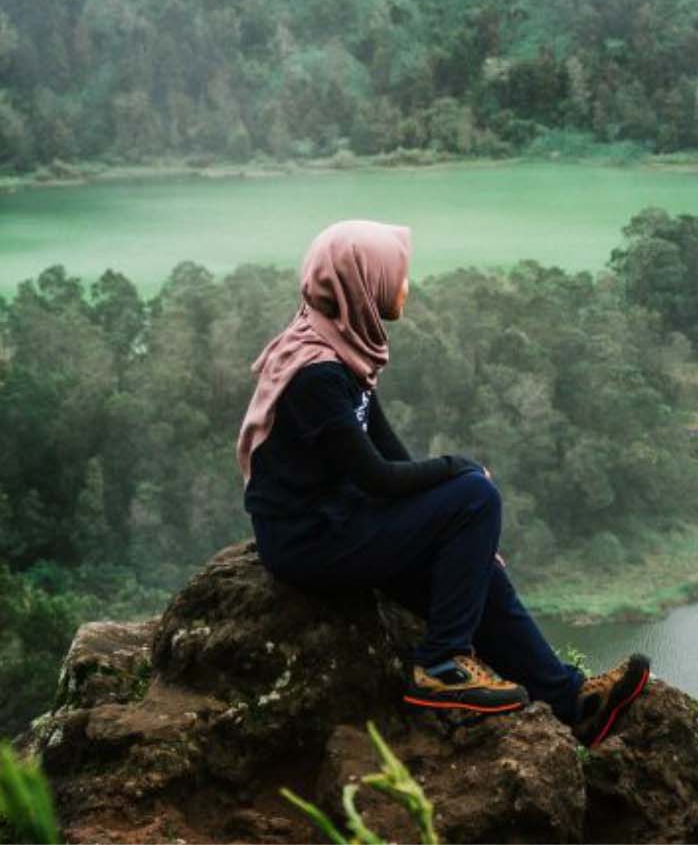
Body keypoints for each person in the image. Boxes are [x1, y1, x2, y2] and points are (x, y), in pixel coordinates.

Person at [237, 219, 651, 746]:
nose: (405, 287)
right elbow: (379, 477)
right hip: (310, 541)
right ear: (361, 284)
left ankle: (574, 704)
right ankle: (440, 664)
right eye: (396, 276)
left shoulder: (341, 349)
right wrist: (461, 470)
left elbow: (388, 453)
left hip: (343, 521)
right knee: (476, 492)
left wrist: (459, 537)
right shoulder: (317, 374)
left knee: (479, 569)